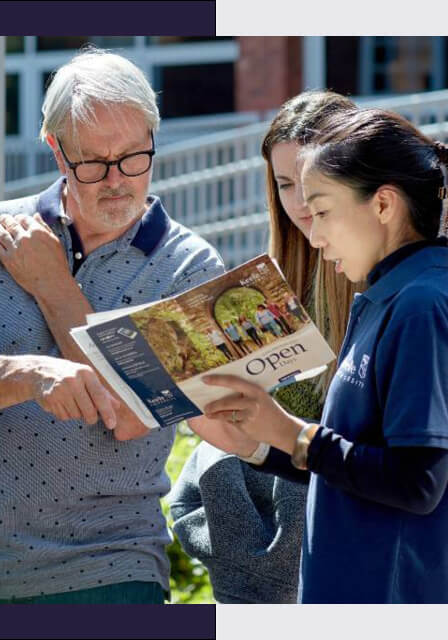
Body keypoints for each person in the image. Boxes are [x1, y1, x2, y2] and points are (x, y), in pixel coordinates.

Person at [0, 48, 223, 604]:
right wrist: (28, 375)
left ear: (152, 137)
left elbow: (130, 415)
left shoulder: (192, 269)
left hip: (113, 573)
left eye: (134, 157)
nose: (117, 181)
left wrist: (53, 286)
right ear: (56, 150)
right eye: (93, 163)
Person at [189, 106, 448, 603]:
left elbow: (418, 482)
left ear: (383, 205)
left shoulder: (422, 306)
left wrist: (291, 432)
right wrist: (257, 445)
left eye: (322, 212)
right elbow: (353, 463)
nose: (314, 236)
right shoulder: (393, 297)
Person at [169, 91, 359, 603]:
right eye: (284, 184)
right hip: (261, 513)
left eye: (309, 181)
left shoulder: (376, 284)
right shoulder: (275, 281)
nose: (298, 203)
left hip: (331, 533)